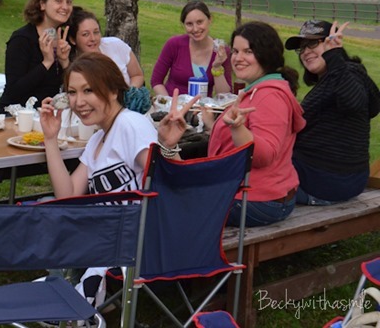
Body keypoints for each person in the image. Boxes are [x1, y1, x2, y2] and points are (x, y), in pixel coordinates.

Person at [158, 21, 306, 227]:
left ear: (267, 54)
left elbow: (263, 156)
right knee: (166, 194)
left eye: (248, 51)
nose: (238, 58)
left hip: (258, 200)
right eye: (235, 51)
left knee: (162, 204)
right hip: (247, 193)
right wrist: (171, 144)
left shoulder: (270, 97)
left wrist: (237, 128)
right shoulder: (258, 91)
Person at [39, 53, 157, 309]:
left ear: (113, 91)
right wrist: (50, 139)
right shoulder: (97, 140)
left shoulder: (130, 124)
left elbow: (164, 172)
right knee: (50, 209)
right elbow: (68, 196)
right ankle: (72, 295)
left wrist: (168, 147)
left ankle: (70, 301)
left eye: (89, 90)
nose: (78, 102)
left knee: (52, 220)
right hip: (110, 232)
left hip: (139, 239)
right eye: (72, 92)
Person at [284, 20, 380, 205]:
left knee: (248, 174)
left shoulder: (349, 73)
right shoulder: (334, 79)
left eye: (313, 43)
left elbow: (354, 103)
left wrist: (334, 55)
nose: (305, 51)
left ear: (331, 45)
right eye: (302, 48)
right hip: (339, 178)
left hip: (326, 181)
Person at [0, 0, 74, 113]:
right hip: (18, 114)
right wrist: (47, 62)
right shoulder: (22, 39)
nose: (65, 7)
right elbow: (14, 91)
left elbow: (75, 87)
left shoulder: (64, 39)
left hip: (51, 114)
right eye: (58, 0)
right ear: (42, 4)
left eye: (68, 1)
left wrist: (65, 62)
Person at [150, 1, 232, 97]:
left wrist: (217, 67)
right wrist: (170, 102)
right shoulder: (174, 44)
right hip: (173, 104)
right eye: (189, 24)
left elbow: (224, 96)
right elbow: (156, 81)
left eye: (199, 22)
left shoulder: (221, 51)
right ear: (183, 25)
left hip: (203, 106)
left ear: (210, 20)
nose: (195, 29)